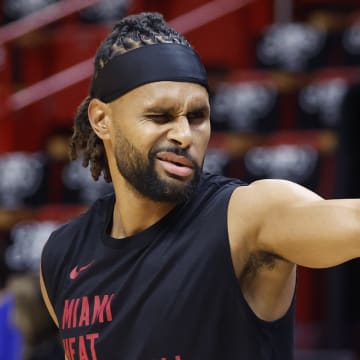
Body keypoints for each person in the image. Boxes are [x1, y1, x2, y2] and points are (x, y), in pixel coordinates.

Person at [40, 12, 360, 360]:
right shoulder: (63, 252)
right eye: (159, 116)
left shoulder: (246, 218)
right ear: (102, 120)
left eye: (197, 117)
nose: (183, 135)